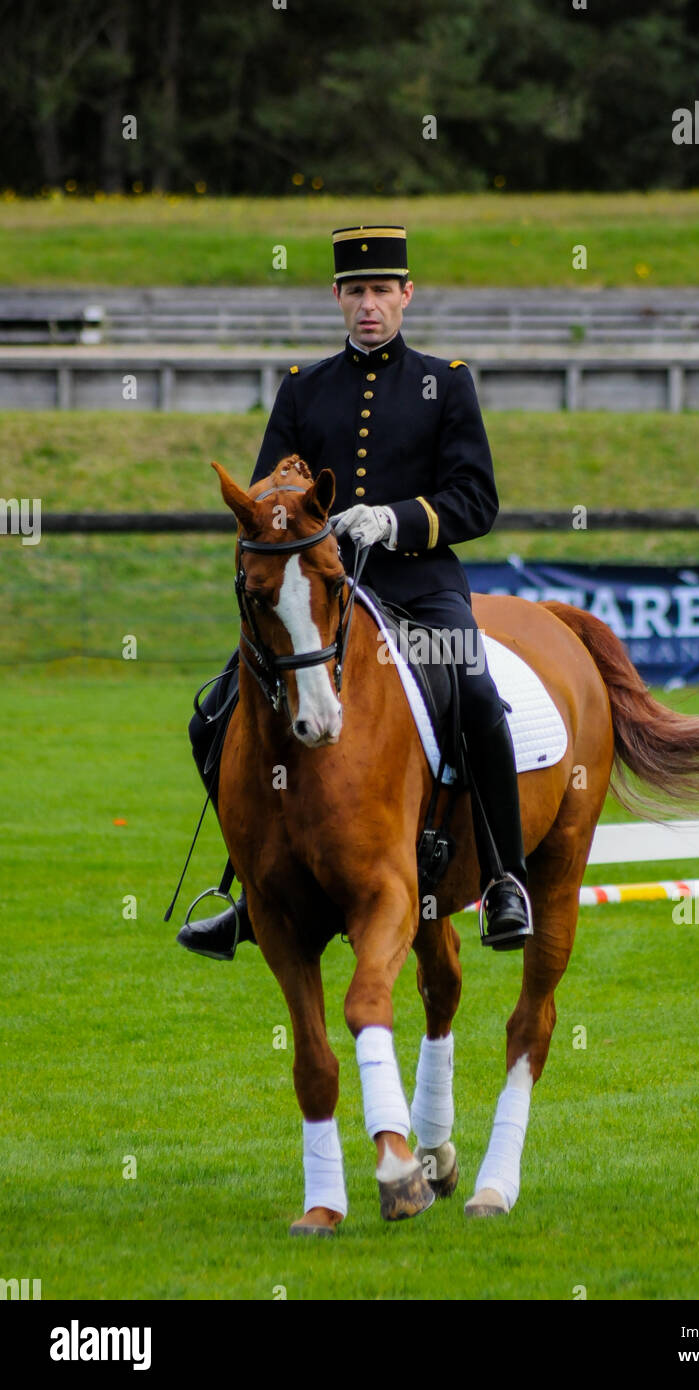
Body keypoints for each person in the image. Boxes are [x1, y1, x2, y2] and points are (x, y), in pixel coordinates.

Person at [178, 224, 531, 959]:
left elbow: (475, 502)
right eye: (356, 291)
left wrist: (394, 519)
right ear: (337, 296)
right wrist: (294, 509)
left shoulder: (447, 380)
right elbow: (270, 495)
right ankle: (249, 886)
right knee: (215, 714)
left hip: (419, 581)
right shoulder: (304, 388)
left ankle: (504, 877)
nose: (369, 305)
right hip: (322, 590)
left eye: (382, 290)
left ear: (406, 295)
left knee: (471, 690)